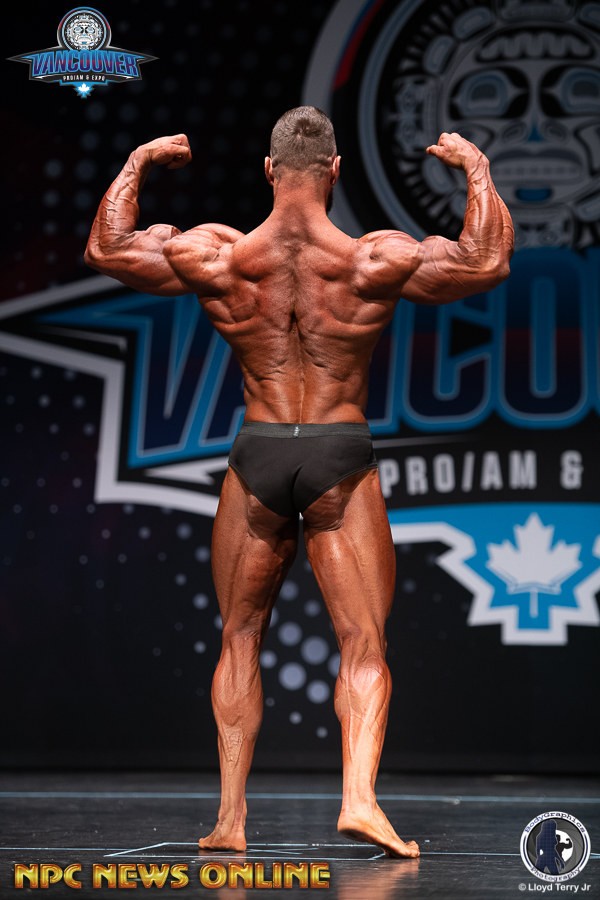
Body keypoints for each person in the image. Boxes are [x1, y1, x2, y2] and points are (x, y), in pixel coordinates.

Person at [85, 106, 514, 858]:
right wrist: (476, 169)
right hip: (337, 453)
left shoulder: (217, 254)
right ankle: (359, 801)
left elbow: (107, 248)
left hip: (257, 452)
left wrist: (139, 163)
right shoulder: (370, 258)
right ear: (336, 172)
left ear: (269, 171)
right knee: (363, 642)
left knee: (239, 635)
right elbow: (485, 262)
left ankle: (229, 820)